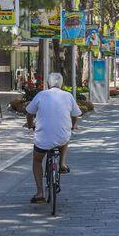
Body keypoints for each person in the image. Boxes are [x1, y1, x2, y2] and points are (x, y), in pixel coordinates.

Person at [25, 72, 81, 204]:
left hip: (43, 138)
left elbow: (29, 112)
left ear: (48, 84)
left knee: (37, 160)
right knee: (65, 139)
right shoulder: (68, 96)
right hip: (62, 136)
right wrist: (73, 126)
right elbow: (75, 115)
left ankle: (40, 193)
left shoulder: (41, 95)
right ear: (62, 84)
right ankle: (62, 163)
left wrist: (30, 125)